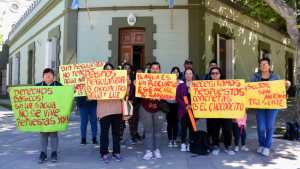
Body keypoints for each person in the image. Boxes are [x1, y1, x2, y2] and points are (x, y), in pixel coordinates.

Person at [250, 57, 281, 156]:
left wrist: (287, 85)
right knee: (261, 126)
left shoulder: (275, 76)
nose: (263, 66)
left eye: (265, 64)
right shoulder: (255, 77)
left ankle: (267, 146)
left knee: (269, 126)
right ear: (259, 66)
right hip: (259, 105)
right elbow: (250, 88)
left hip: (272, 105)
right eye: (261, 64)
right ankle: (262, 144)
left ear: (269, 66)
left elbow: (281, 89)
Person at [97, 63, 123, 163]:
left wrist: (128, 84)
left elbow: (125, 93)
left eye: (110, 69)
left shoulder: (118, 80)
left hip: (116, 110)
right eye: (106, 69)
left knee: (116, 133)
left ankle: (116, 152)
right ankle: (104, 153)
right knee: (104, 133)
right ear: (103, 71)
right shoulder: (98, 81)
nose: (108, 71)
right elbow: (92, 95)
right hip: (104, 111)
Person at [36, 68, 62, 163]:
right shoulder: (37, 86)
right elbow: (26, 94)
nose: (47, 77)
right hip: (42, 116)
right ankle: (43, 153)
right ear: (43, 78)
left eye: (49, 75)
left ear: (53, 77)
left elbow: (67, 94)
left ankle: (54, 152)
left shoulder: (59, 86)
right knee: (43, 134)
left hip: (54, 115)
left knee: (54, 134)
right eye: (46, 76)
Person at [208, 67, 235, 156]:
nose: (215, 75)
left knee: (227, 129)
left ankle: (227, 146)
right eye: (213, 73)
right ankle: (216, 145)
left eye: (217, 73)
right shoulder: (205, 85)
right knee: (215, 129)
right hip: (213, 111)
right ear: (210, 75)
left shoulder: (227, 84)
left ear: (220, 74)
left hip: (226, 111)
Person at [140, 62, 165, 160]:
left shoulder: (164, 80)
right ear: (150, 70)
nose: (155, 70)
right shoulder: (144, 80)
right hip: (146, 108)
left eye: (157, 68)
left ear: (159, 70)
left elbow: (169, 95)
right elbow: (138, 94)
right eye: (153, 68)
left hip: (159, 109)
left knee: (158, 131)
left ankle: (157, 149)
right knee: (148, 131)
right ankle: (149, 150)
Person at [176, 68, 195, 152]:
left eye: (190, 73)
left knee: (192, 128)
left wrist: (192, 105)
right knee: (183, 127)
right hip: (183, 110)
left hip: (193, 110)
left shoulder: (196, 85)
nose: (188, 75)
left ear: (192, 75)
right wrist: (185, 106)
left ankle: (190, 144)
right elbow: (177, 98)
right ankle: (183, 143)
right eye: (186, 73)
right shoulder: (180, 86)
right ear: (184, 75)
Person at [166, 66, 183, 147]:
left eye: (177, 71)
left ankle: (175, 140)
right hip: (169, 104)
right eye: (174, 71)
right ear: (171, 73)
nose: (175, 73)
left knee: (176, 123)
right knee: (169, 123)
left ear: (179, 73)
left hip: (178, 105)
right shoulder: (167, 82)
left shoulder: (181, 83)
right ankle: (170, 140)